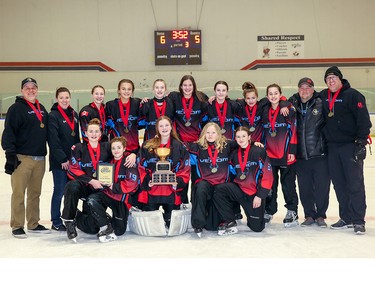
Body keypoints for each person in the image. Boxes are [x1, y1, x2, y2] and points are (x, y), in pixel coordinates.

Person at [320, 66, 372, 235]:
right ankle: (346, 217)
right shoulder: (323, 96)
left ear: (341, 79)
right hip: (332, 147)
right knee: (339, 184)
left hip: (350, 146)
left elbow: (363, 120)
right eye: (328, 78)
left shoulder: (353, 95)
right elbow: (303, 97)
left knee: (354, 184)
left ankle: (358, 220)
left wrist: (361, 142)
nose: (331, 81)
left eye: (334, 77)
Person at [1, 77, 51, 238]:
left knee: (35, 193)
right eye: (27, 87)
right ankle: (17, 225)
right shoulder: (15, 108)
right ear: (22, 90)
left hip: (40, 159)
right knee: (19, 193)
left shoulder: (42, 108)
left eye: (33, 87)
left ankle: (33, 223)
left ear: (37, 89)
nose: (31, 90)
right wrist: (10, 155)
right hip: (22, 159)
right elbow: (8, 133)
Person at [213, 126, 273, 235]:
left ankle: (255, 215)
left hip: (254, 194)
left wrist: (260, 196)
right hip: (239, 190)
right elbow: (231, 174)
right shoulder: (234, 154)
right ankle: (230, 220)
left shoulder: (259, 151)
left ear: (249, 137)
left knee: (257, 228)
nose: (241, 139)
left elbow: (268, 176)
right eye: (238, 137)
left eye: (244, 136)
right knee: (219, 190)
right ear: (235, 138)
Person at [288, 78, 330, 227]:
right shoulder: (292, 103)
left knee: (322, 187)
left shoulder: (321, 102)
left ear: (313, 89)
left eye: (308, 88)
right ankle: (309, 215)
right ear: (298, 89)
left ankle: (320, 215)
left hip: (319, 154)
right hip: (300, 155)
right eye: (302, 88)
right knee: (304, 187)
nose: (304, 91)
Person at [61, 118, 112, 242]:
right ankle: (68, 220)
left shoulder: (107, 147)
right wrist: (90, 181)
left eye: (96, 132)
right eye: (91, 131)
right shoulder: (78, 148)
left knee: (92, 228)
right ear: (86, 133)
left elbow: (119, 156)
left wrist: (131, 155)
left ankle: (79, 215)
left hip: (99, 190)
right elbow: (73, 169)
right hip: (84, 186)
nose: (94, 134)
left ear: (100, 134)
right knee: (71, 185)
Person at [82, 136, 140, 242]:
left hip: (121, 199)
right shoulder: (108, 162)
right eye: (113, 148)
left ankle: (106, 220)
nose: (116, 150)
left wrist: (114, 186)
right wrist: (99, 181)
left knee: (119, 231)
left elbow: (132, 183)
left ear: (124, 148)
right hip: (107, 194)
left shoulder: (129, 162)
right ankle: (104, 226)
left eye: (119, 147)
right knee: (92, 199)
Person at [137, 116, 190, 227]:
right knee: (152, 226)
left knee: (171, 224)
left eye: (166, 125)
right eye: (161, 126)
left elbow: (185, 168)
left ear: (171, 127)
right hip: (152, 191)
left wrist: (178, 181)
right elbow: (140, 166)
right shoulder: (147, 146)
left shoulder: (180, 146)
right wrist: (147, 181)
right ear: (157, 128)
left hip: (171, 192)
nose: (164, 128)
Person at [187, 122, 237, 237]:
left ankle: (228, 218)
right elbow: (179, 148)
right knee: (199, 188)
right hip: (206, 184)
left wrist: (255, 143)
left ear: (218, 134)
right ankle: (197, 224)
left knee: (211, 226)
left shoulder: (227, 145)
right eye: (207, 132)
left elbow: (242, 143)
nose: (210, 135)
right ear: (203, 133)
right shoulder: (196, 147)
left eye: (213, 132)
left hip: (221, 186)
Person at [259, 83, 299, 227]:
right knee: (270, 186)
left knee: (288, 186)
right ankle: (269, 211)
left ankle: (292, 211)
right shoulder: (264, 110)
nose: (273, 96)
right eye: (270, 93)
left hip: (286, 154)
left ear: (280, 94)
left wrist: (293, 152)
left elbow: (294, 130)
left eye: (276, 93)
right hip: (269, 156)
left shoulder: (288, 110)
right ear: (267, 96)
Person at [168, 75, 208, 203]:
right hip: (181, 145)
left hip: (197, 145)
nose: (187, 88)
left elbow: (207, 119)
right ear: (181, 86)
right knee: (182, 176)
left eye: (190, 85)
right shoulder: (174, 99)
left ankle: (196, 205)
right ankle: (183, 203)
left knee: (197, 177)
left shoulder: (201, 98)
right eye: (185, 85)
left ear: (194, 86)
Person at [47, 87, 80, 231]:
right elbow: (53, 140)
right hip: (60, 162)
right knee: (59, 191)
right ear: (57, 99)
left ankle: (69, 218)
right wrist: (62, 159)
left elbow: (76, 138)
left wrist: (78, 158)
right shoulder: (53, 116)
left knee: (71, 192)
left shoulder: (74, 114)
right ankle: (55, 220)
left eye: (67, 97)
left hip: (72, 162)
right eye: (61, 98)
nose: (64, 100)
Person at [106, 79, 141, 166]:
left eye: (129, 89)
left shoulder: (137, 103)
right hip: (117, 151)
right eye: (123, 89)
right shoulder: (111, 105)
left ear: (132, 91)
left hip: (134, 150)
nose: (126, 91)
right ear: (118, 90)